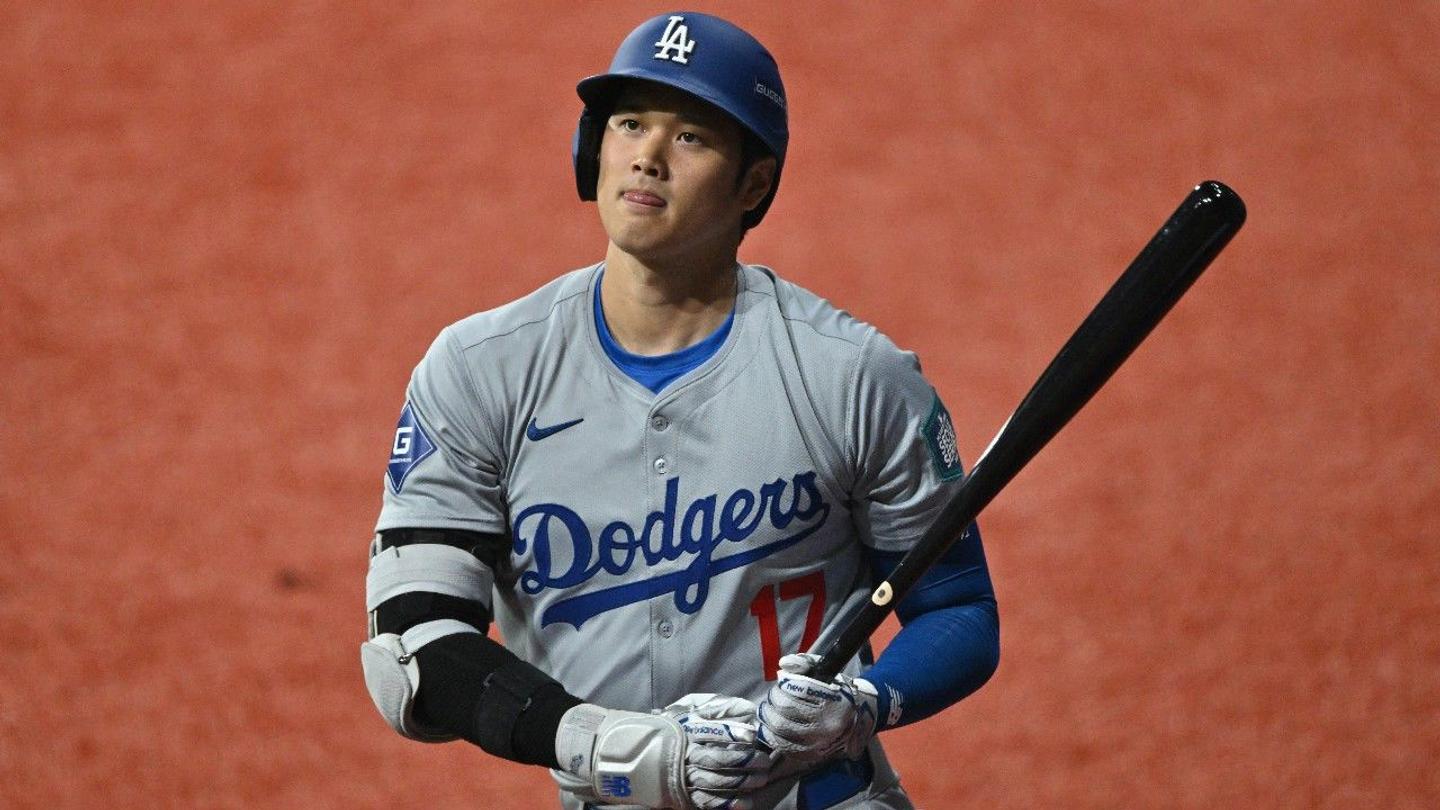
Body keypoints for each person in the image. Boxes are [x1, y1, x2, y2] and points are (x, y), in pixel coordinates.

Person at [361, 11, 1000, 809]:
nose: (648, 156)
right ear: (591, 148)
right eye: (630, 124)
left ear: (753, 185)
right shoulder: (480, 371)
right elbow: (412, 647)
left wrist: (862, 704)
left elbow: (958, 608)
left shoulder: (852, 377)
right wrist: (611, 746)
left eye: (691, 137)